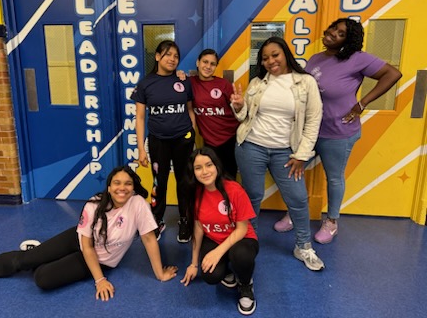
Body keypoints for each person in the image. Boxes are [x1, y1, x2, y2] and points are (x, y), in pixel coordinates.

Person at [0, 166, 178, 300]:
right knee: (23, 261)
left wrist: (159, 274)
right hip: (78, 241)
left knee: (43, 279)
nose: (122, 188)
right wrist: (100, 281)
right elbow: (86, 245)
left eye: (128, 184)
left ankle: (41, 254)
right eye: (117, 183)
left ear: (133, 187)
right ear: (109, 186)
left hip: (102, 259)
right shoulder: (94, 205)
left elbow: (149, 238)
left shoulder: (138, 204)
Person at [274, 18, 402, 244]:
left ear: (348, 40)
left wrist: (362, 103)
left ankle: (331, 222)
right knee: (294, 169)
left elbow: (392, 74)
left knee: (334, 178)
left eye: (341, 33)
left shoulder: (358, 59)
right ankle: (295, 212)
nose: (333, 33)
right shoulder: (316, 58)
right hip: (310, 129)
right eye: (334, 28)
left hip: (338, 130)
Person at [231, 36, 325, 271]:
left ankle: (303, 246)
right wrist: (239, 106)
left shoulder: (305, 83)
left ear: (285, 54)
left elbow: (314, 119)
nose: (270, 61)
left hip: (286, 152)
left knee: (298, 198)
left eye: (275, 55)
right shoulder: (257, 83)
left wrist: (302, 154)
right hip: (251, 146)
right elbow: (244, 118)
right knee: (252, 196)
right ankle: (248, 241)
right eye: (265, 58)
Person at [131, 40, 196, 243]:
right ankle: (157, 220)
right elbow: (140, 117)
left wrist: (192, 132)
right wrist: (141, 148)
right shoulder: (145, 83)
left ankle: (185, 220)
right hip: (158, 141)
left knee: (184, 181)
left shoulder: (183, 80)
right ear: (157, 57)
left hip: (183, 140)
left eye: (176, 56)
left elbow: (190, 109)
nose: (172, 59)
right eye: (168, 54)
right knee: (160, 182)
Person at [180, 147, 259, 316]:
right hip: (214, 239)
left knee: (241, 255)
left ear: (217, 165)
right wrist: (193, 263)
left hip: (241, 239)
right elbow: (199, 228)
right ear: (193, 172)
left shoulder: (234, 190)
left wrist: (218, 252)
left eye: (209, 165)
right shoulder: (195, 193)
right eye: (198, 168)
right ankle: (227, 271)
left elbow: (242, 229)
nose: (205, 171)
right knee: (210, 275)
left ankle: (245, 284)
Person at [188, 49, 240, 178]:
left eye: (212, 64)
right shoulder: (189, 83)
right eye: (205, 62)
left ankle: (230, 199)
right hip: (209, 141)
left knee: (229, 178)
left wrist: (240, 105)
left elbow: (238, 111)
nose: (208, 66)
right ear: (198, 63)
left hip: (231, 138)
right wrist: (178, 74)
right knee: (211, 178)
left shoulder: (223, 84)